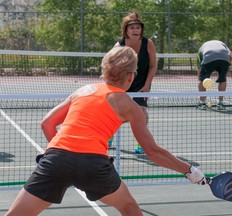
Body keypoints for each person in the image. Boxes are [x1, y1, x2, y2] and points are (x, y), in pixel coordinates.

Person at [5, 46, 206, 216]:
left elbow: (46, 124)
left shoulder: (82, 91)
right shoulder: (130, 106)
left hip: (56, 160)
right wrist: (190, 171)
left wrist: (60, 155)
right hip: (94, 165)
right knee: (129, 207)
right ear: (131, 76)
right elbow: (153, 152)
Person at [114, 11, 157, 153]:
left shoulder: (148, 43)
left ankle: (141, 143)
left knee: (142, 112)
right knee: (116, 113)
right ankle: (109, 136)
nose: (135, 30)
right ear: (126, 30)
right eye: (132, 28)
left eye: (138, 28)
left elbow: (153, 65)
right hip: (123, 83)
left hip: (141, 84)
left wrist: (147, 85)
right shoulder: (119, 45)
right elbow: (111, 64)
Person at [197, 40, 232, 111]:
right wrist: (224, 68)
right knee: (223, 80)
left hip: (209, 57)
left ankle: (202, 103)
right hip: (224, 58)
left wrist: (201, 78)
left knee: (202, 79)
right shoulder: (223, 44)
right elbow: (230, 56)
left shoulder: (202, 48)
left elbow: (200, 67)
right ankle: (220, 103)